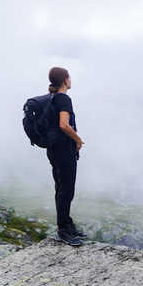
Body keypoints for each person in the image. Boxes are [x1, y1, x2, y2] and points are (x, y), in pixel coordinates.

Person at [46, 66, 86, 245]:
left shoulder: (52, 98)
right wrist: (78, 139)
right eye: (69, 77)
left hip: (54, 148)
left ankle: (67, 225)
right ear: (65, 80)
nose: (71, 80)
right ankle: (64, 230)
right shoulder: (63, 99)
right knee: (66, 189)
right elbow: (64, 125)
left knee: (61, 187)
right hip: (63, 149)